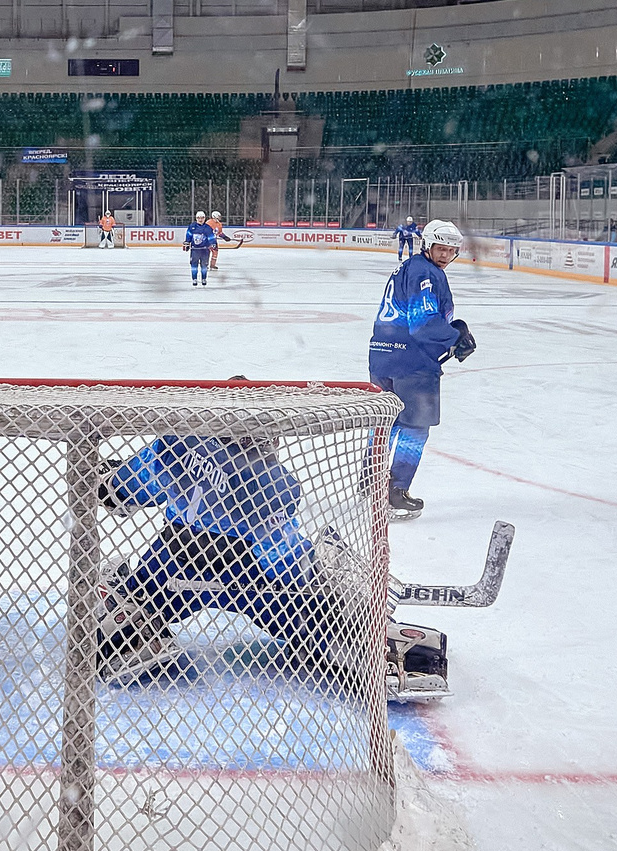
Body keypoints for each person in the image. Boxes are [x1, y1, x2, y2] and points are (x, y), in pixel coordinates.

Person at [89, 433, 452, 696]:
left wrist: (112, 482)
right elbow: (283, 557)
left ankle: (129, 629)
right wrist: (317, 588)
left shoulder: (176, 444)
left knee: (132, 595)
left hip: (174, 571)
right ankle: (363, 642)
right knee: (313, 612)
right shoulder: (277, 482)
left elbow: (122, 490)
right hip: (255, 582)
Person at [367, 219, 473, 517]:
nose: (445, 255)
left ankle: (370, 480)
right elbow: (423, 323)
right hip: (411, 363)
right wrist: (455, 338)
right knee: (415, 429)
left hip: (382, 354)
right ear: (427, 245)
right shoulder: (426, 272)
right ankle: (395, 490)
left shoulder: (408, 268)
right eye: (440, 248)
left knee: (384, 422)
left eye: (451, 251)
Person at [184, 211, 217, 287]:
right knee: (194, 265)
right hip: (195, 250)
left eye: (202, 218)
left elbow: (211, 237)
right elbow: (188, 235)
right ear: (196, 218)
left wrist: (213, 244)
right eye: (198, 218)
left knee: (204, 265)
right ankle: (194, 279)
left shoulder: (208, 228)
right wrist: (187, 243)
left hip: (205, 250)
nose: (200, 219)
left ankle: (204, 278)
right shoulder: (192, 226)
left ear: (204, 218)